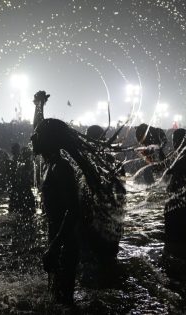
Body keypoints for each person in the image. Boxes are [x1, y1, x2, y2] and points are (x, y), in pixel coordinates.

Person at [32, 90, 124, 305]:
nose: (31, 136)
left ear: (48, 141)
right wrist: (38, 107)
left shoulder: (61, 168)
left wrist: (54, 247)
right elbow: (39, 129)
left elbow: (73, 210)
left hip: (64, 243)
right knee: (55, 298)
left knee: (63, 302)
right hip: (57, 239)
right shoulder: (51, 162)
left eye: (37, 134)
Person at [163, 128, 186, 244]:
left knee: (181, 236)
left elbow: (170, 170)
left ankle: (183, 259)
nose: (174, 144)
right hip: (172, 200)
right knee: (169, 235)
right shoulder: (174, 155)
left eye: (178, 140)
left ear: (185, 141)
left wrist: (161, 152)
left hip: (184, 201)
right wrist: (159, 149)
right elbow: (160, 168)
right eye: (174, 140)